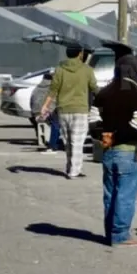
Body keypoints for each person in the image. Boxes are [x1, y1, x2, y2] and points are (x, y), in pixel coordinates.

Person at [92, 47, 137, 247]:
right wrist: (118, 137)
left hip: (107, 151)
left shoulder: (104, 93)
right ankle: (120, 235)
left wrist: (105, 136)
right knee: (126, 194)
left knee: (110, 193)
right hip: (130, 151)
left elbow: (92, 119)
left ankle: (110, 232)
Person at [39, 45, 98, 179]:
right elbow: (94, 88)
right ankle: (74, 171)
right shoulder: (87, 70)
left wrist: (45, 106)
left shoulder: (59, 70)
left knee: (68, 141)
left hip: (63, 110)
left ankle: (70, 167)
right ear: (80, 54)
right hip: (80, 110)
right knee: (77, 141)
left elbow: (53, 90)